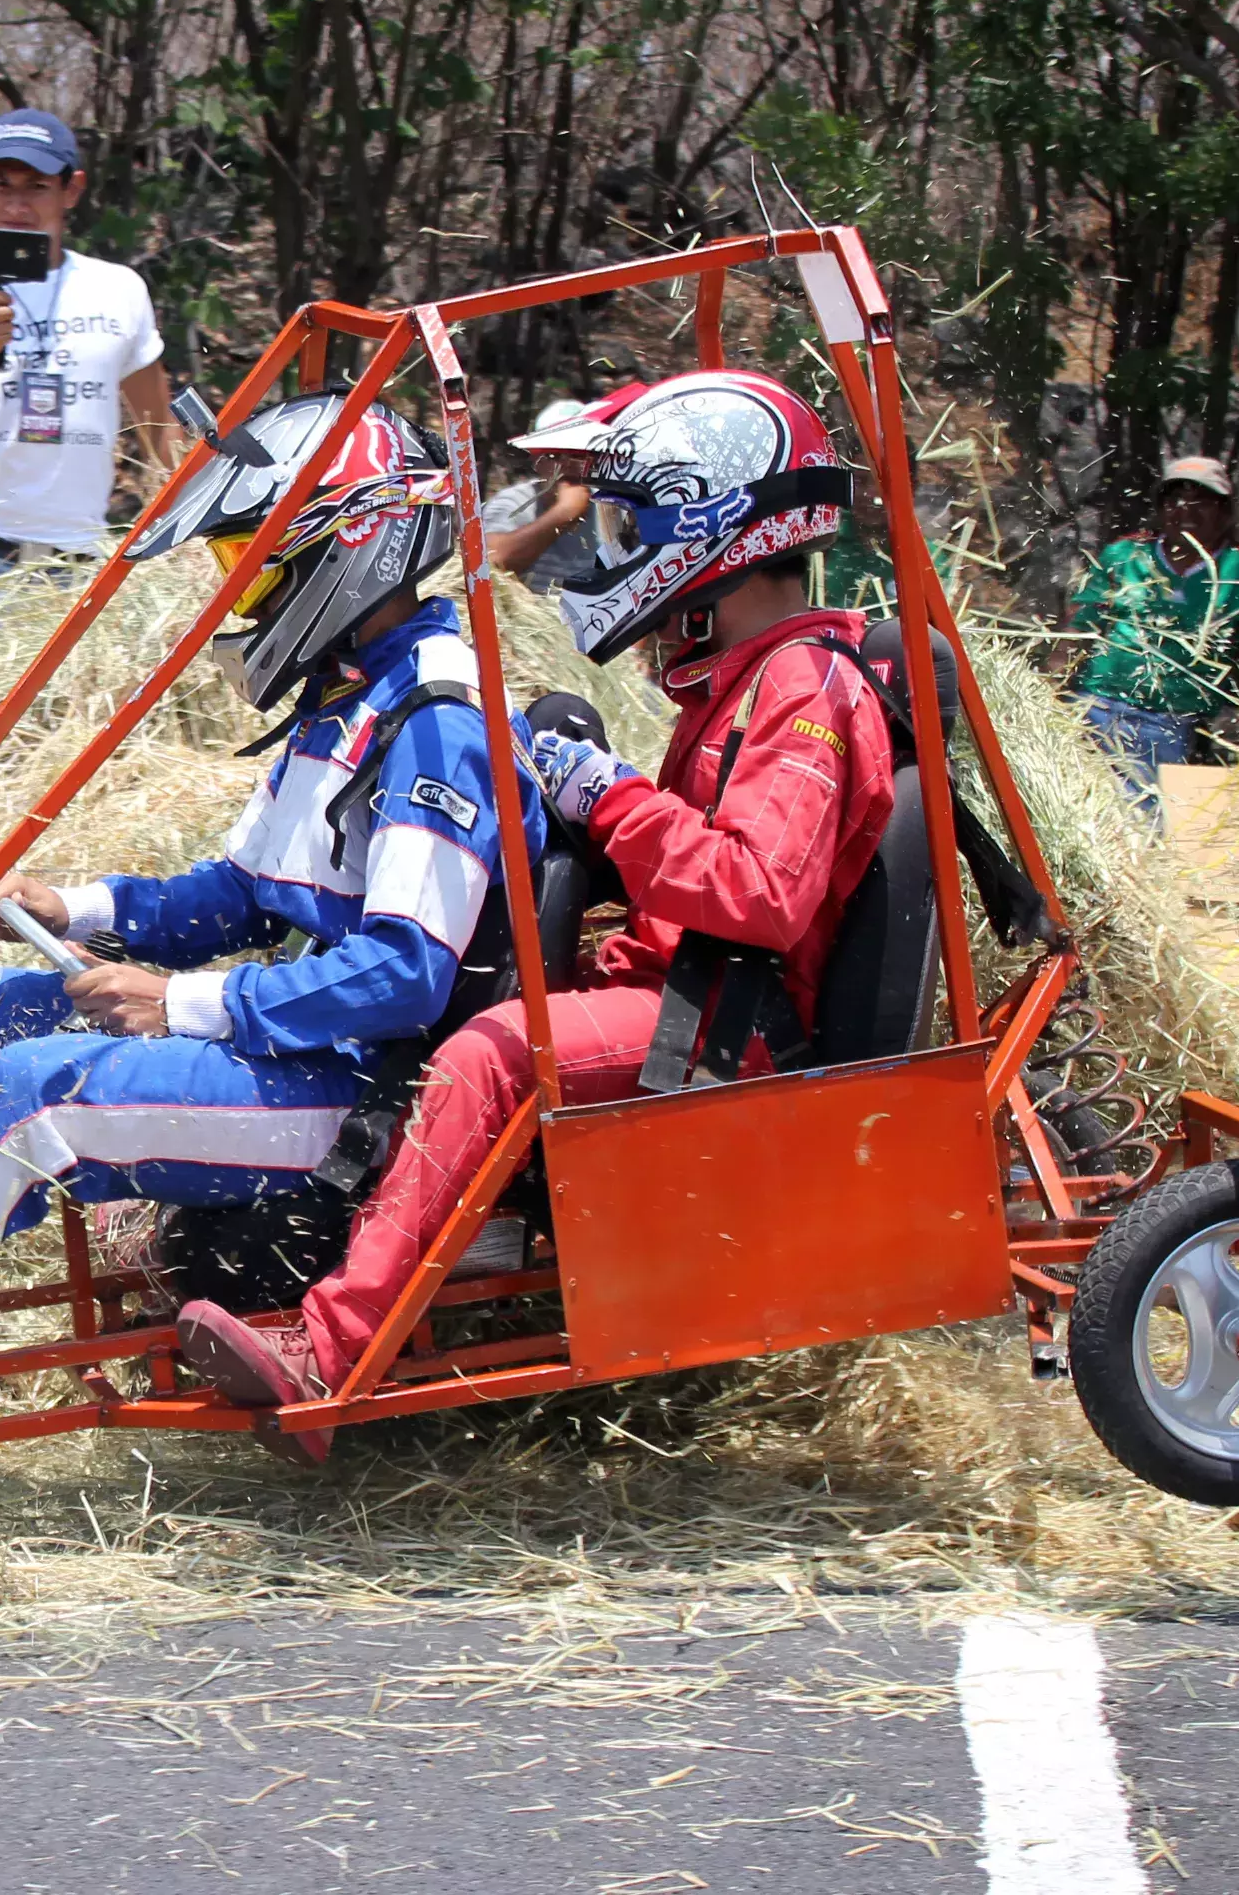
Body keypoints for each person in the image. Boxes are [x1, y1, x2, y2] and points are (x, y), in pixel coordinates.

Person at [177, 369, 896, 1460]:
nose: (609, 547)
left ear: (704, 522)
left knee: (494, 1052)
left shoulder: (803, 685)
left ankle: (332, 1346)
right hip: (677, 986)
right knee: (485, 985)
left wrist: (603, 790)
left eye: (624, 521)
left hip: (730, 1019)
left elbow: (757, 894)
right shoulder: (742, 677)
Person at [0, 396, 544, 1347]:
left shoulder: (437, 717)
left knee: (38, 1093)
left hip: (368, 1102)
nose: (235, 592)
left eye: (247, 561)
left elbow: (403, 974)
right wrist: (78, 905)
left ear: (346, 545)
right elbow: (237, 895)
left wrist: (181, 1004)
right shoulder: (347, 696)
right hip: (298, 1057)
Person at [0, 110, 177, 631]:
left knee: (69, 718)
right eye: (0, 184)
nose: (16, 204)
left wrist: (194, 533)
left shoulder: (118, 289)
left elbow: (159, 431)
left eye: (37, 186)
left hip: (78, 572)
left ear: (72, 190)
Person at [1059, 455, 1239, 807]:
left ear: (1225, 513)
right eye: (1175, 500)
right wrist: (1050, 695)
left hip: (1178, 727)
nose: (1186, 510)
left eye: (1201, 501)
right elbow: (1078, 628)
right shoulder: (1125, 555)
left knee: (1149, 826)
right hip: (1098, 710)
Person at [484, 393, 635, 588]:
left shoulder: (615, 509)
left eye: (579, 454)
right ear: (537, 461)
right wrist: (564, 513)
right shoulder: (513, 503)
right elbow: (490, 564)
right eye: (555, 455)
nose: (568, 464)